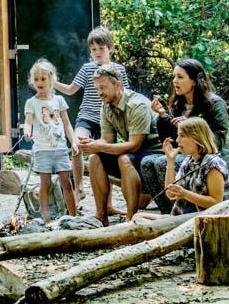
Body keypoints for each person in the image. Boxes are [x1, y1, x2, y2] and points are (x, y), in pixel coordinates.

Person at [141, 58, 229, 211]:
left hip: (209, 157)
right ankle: (168, 211)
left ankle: (181, 213)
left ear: (195, 81)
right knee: (147, 162)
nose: (174, 81)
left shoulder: (215, 104)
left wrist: (192, 125)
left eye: (180, 77)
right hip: (186, 155)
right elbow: (173, 140)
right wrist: (163, 116)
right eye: (174, 76)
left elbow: (218, 140)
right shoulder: (178, 104)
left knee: (161, 162)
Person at [55, 27, 130, 199]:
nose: (97, 52)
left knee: (104, 155)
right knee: (77, 144)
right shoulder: (87, 68)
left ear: (110, 48)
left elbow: (126, 95)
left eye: (101, 48)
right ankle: (79, 187)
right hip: (87, 115)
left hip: (110, 120)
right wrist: (54, 83)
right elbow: (71, 89)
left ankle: (107, 200)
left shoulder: (119, 70)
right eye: (93, 49)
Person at [78, 65, 159, 224]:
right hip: (134, 153)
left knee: (124, 159)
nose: (99, 92)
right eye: (97, 88)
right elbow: (107, 140)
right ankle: (101, 216)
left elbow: (135, 145)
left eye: (103, 87)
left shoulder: (137, 104)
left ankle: (130, 218)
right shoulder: (106, 105)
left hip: (154, 153)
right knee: (95, 158)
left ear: (118, 85)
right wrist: (92, 144)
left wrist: (99, 146)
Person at [23, 59, 80, 224]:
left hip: (61, 149)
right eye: (36, 79)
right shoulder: (31, 102)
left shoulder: (59, 100)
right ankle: (46, 220)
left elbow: (67, 125)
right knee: (45, 184)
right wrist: (27, 132)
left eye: (43, 79)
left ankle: (73, 217)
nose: (39, 82)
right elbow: (28, 121)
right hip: (42, 150)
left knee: (67, 184)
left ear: (51, 79)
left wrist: (74, 142)